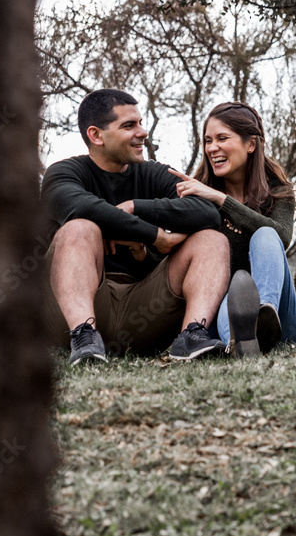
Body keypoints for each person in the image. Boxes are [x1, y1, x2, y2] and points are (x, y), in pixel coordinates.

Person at [42, 89, 230, 364]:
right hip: (76, 308)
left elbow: (207, 213)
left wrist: (136, 207)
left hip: (142, 309)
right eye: (129, 125)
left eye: (141, 123)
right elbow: (82, 208)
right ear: (96, 135)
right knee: (80, 228)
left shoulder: (154, 174)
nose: (142, 132)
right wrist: (155, 235)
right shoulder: (63, 174)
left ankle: (191, 336)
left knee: (212, 239)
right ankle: (84, 337)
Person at [169, 101, 296, 357]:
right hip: (227, 306)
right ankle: (244, 337)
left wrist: (222, 200)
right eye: (208, 141)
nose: (212, 148)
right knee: (232, 300)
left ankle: (264, 316)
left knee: (266, 234)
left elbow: (282, 237)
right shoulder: (198, 198)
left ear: (251, 144)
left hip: (285, 321)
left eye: (222, 138)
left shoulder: (279, 192)